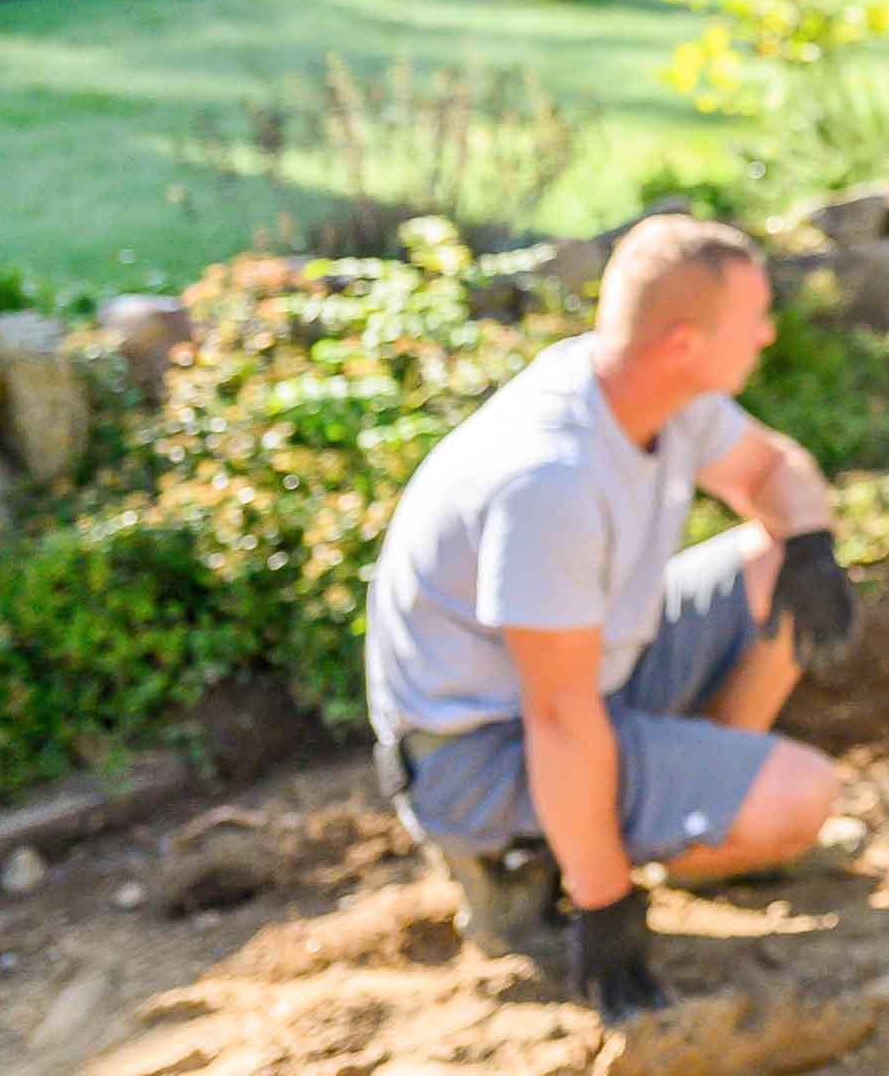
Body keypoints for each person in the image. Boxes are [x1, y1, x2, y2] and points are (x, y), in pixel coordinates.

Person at [364, 215, 858, 1022]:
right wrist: (605, 907)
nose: (769, 335)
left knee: (778, 566)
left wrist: (809, 544)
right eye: (754, 320)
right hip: (481, 753)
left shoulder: (658, 394)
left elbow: (775, 471)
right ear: (683, 345)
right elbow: (557, 717)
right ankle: (521, 875)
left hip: (594, 671)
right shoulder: (550, 482)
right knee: (801, 796)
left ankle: (700, 814)